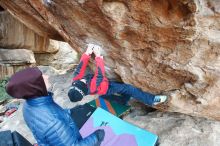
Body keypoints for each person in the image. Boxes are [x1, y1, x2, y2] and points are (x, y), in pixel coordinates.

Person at [6, 67, 105, 146]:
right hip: (68, 139)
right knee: (100, 135)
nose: (47, 76)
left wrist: (68, 112)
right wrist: (97, 136)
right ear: (35, 86)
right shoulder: (53, 122)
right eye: (42, 77)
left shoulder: (29, 105)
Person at [68, 44, 167, 106]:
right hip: (108, 87)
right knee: (129, 89)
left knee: (107, 95)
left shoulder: (76, 81)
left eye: (80, 81)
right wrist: (98, 56)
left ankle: (123, 100)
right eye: (83, 83)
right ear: (85, 88)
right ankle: (152, 100)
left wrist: (87, 53)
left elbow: (80, 68)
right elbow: (99, 74)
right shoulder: (91, 86)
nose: (83, 80)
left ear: (74, 84)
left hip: (103, 87)